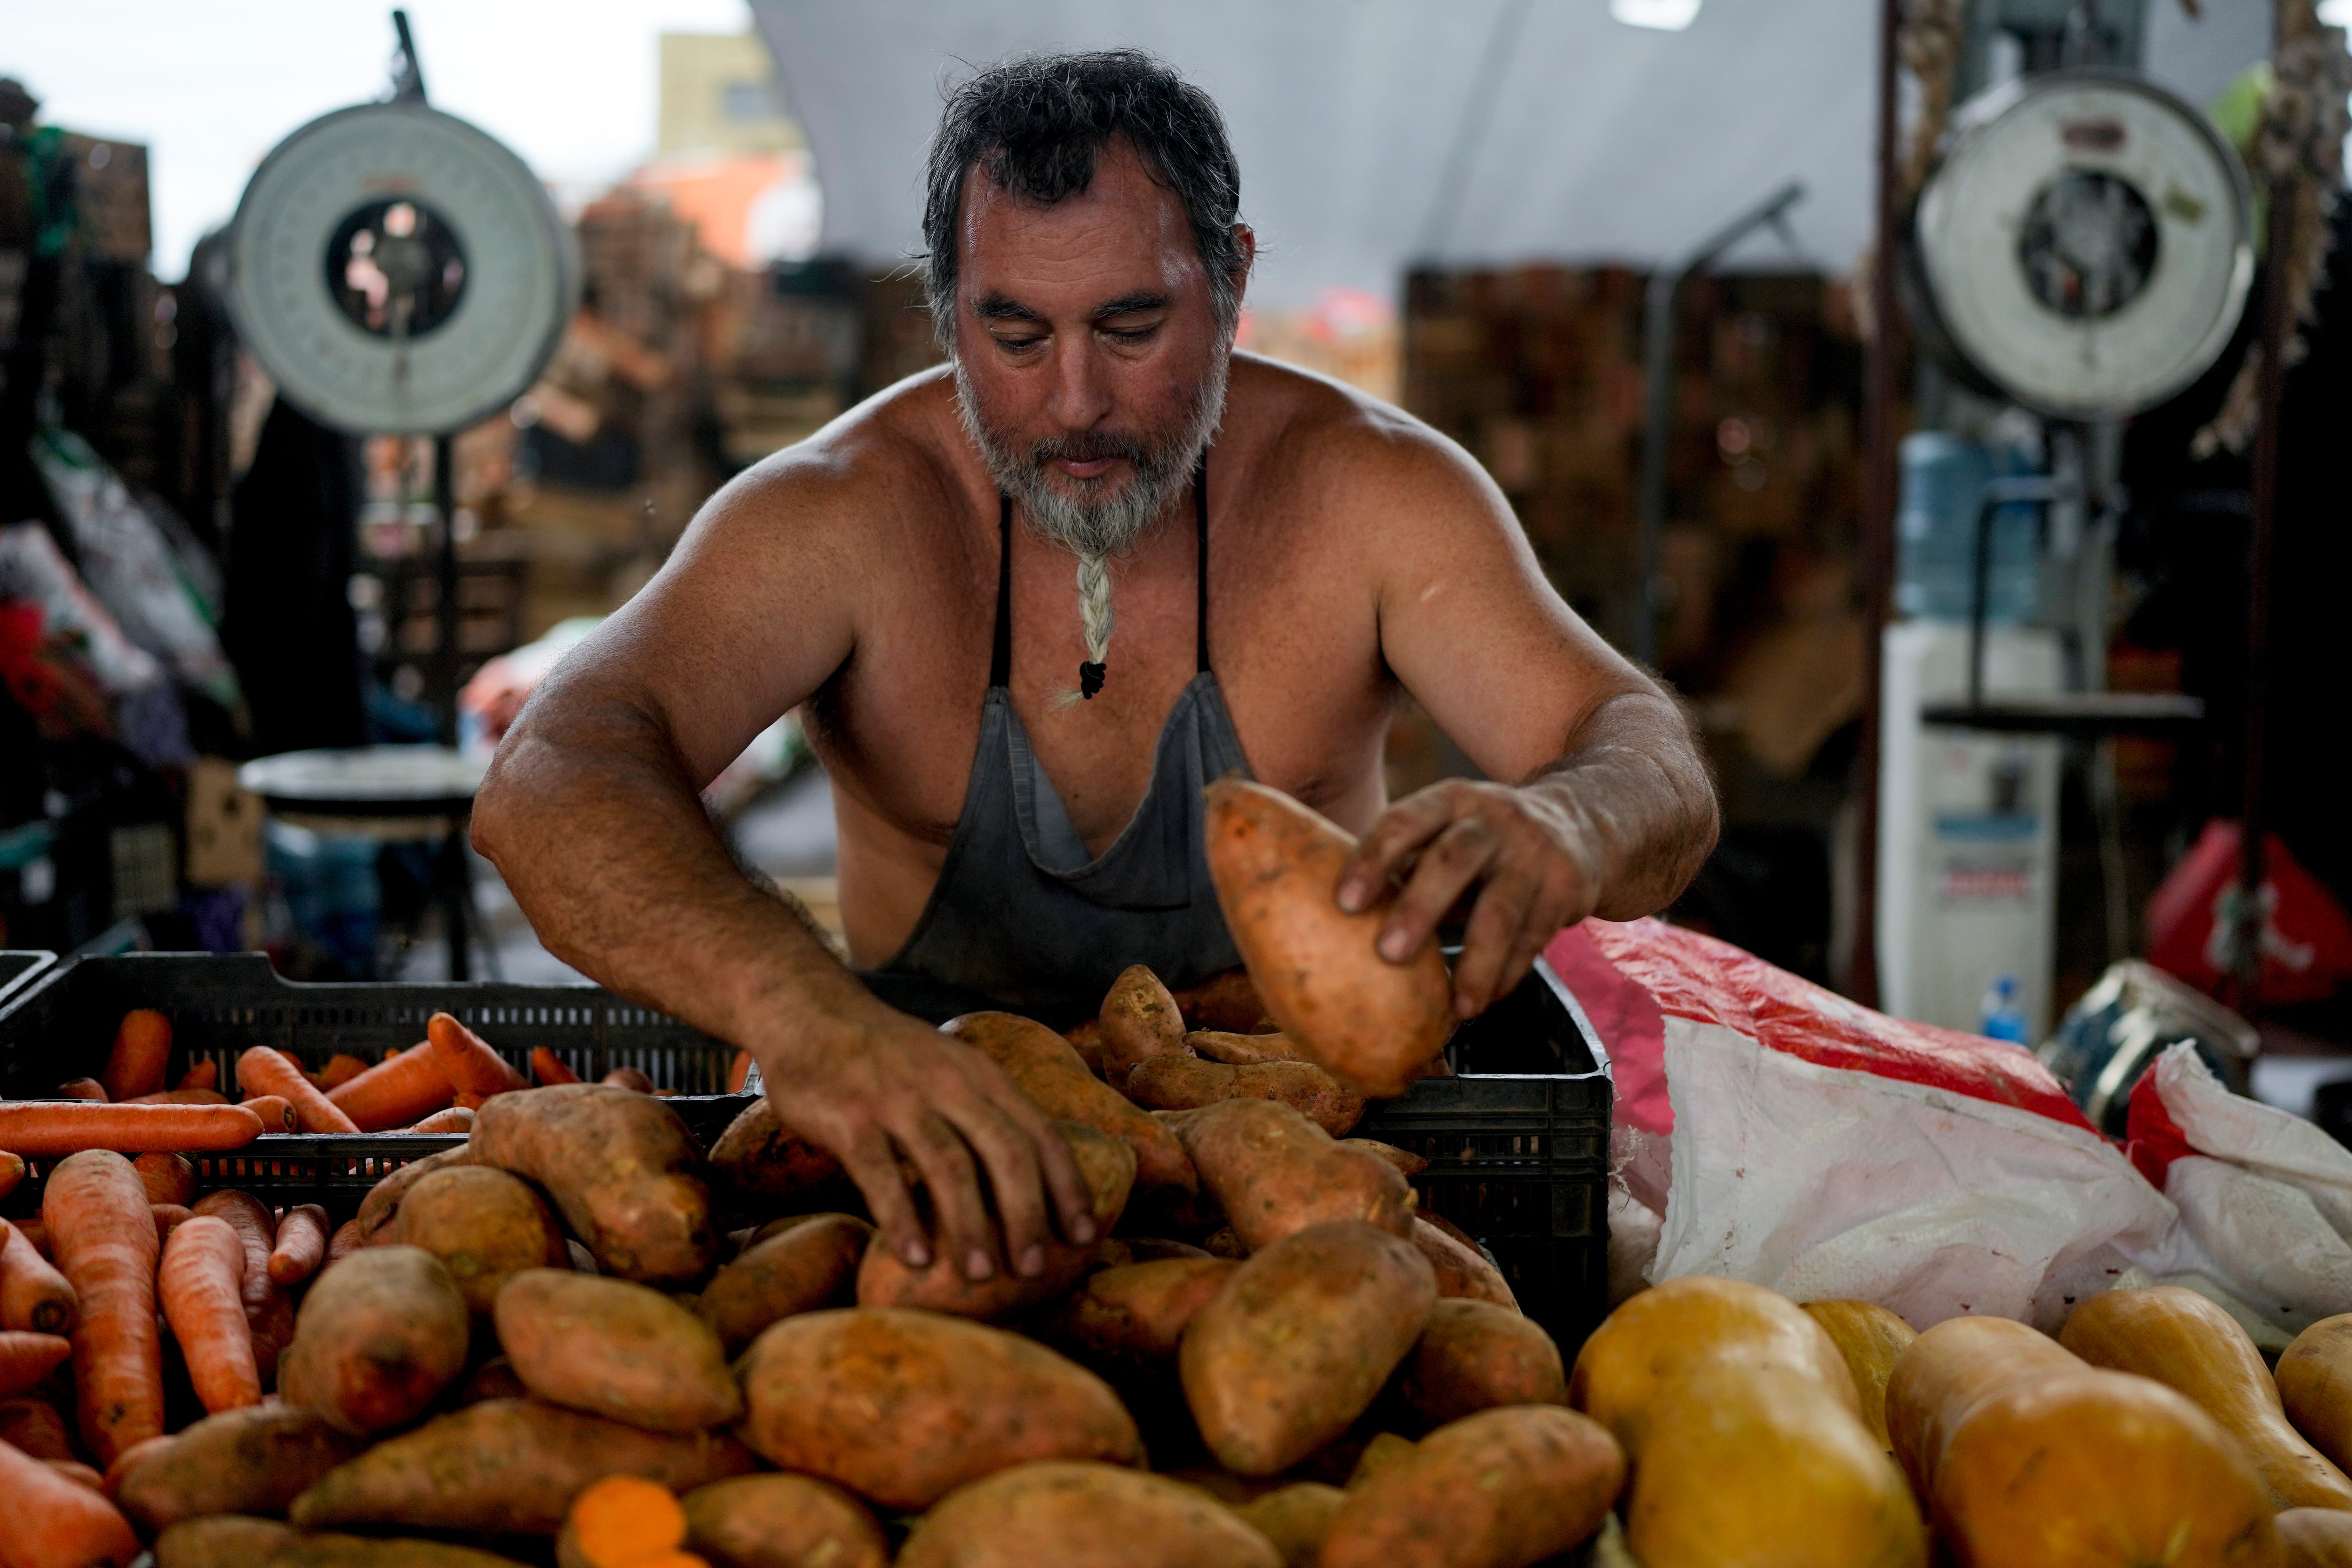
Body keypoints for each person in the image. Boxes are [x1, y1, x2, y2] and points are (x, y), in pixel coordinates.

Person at [471, 51, 1717, 1291]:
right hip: (936, 1196)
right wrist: (804, 1017)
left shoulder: (1376, 494)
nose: (1076, 404)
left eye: (1132, 327)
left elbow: (1641, 750)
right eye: (1012, 333)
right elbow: (549, 777)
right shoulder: (840, 514)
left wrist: (1573, 814)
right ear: (945, 307)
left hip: (1321, 1199)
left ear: (1230, 279)